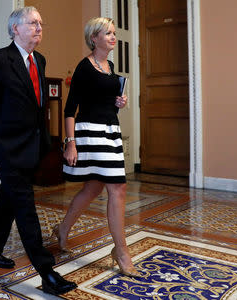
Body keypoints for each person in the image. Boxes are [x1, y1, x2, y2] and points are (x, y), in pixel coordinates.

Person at [0, 6, 77, 296]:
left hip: (31, 146)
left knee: (8, 199)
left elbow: (38, 107)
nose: (39, 28)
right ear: (15, 29)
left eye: (41, 23)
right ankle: (47, 272)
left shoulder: (39, 59)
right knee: (25, 205)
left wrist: (48, 144)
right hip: (5, 146)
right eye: (32, 23)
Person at [54, 17, 141, 278]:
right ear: (94, 38)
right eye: (108, 33)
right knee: (117, 187)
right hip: (90, 133)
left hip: (111, 132)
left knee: (93, 187)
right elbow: (70, 110)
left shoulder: (110, 66)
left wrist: (120, 102)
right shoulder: (84, 67)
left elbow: (106, 101)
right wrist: (71, 144)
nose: (113, 37)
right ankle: (122, 250)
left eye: (114, 33)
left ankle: (62, 229)